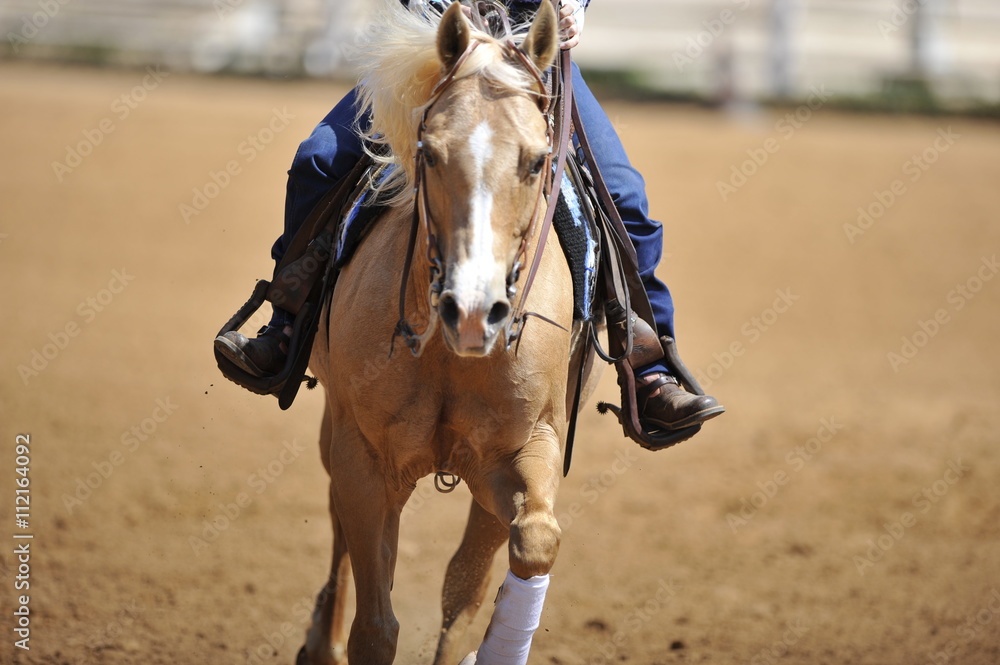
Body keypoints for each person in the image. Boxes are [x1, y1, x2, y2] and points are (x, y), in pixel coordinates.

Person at [216, 0, 723, 434]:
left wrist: (575, 6)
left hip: (532, 53)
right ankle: (285, 323)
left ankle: (649, 367)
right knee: (320, 160)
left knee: (624, 196)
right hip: (435, 48)